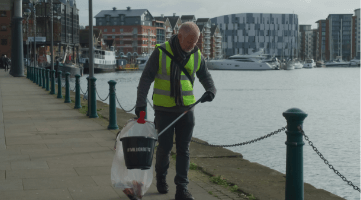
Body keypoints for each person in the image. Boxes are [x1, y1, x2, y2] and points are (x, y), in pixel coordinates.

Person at [135, 22, 216, 200]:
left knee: (184, 149)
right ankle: (161, 177)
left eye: (195, 41)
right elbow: (146, 77)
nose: (192, 45)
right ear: (179, 37)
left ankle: (182, 188)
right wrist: (140, 103)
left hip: (187, 108)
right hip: (164, 110)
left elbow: (205, 75)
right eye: (189, 41)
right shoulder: (161, 51)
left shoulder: (196, 54)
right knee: (164, 148)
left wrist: (211, 90)